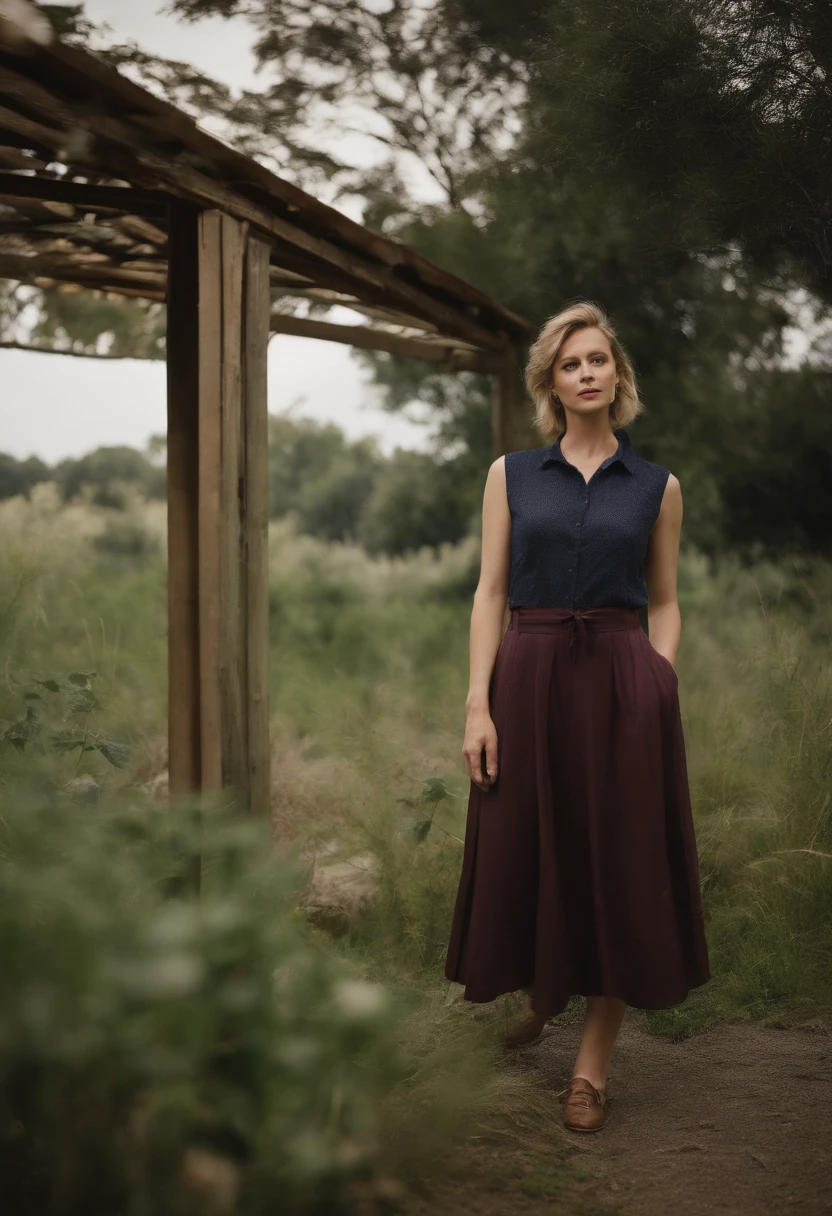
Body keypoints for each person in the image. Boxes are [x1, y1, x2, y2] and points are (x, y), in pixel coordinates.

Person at [443, 300, 711, 1133]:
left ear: (617, 375)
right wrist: (478, 703)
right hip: (527, 678)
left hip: (625, 686)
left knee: (620, 863)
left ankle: (591, 1069)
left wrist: (654, 680)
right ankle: (540, 996)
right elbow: (489, 593)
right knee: (532, 845)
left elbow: (664, 603)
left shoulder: (658, 486)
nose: (587, 372)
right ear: (551, 383)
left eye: (599, 359)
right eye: (571, 363)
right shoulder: (511, 475)